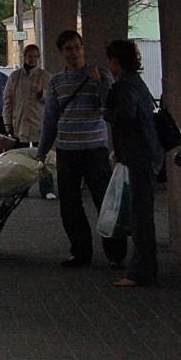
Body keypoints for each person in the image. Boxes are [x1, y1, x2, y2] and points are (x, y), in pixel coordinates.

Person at [36, 29, 127, 269]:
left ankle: (115, 253)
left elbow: (111, 106)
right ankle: (80, 252)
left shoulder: (100, 75)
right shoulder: (56, 82)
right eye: (69, 49)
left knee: (104, 200)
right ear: (61, 53)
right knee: (70, 203)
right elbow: (50, 119)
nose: (74, 52)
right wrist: (42, 151)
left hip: (95, 149)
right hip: (66, 150)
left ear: (83, 49)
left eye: (77, 47)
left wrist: (99, 83)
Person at [103, 39, 163, 287]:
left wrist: (106, 111)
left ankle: (141, 271)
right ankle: (145, 268)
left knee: (140, 215)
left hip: (138, 155)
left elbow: (125, 115)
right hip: (146, 153)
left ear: (115, 60)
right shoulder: (137, 82)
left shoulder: (124, 86)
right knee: (142, 213)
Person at [4, 43, 56, 198]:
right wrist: (7, 122)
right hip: (20, 123)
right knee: (21, 159)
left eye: (35, 56)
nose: (32, 59)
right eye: (29, 56)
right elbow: (8, 101)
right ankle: (22, 188)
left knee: (43, 157)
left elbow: (53, 100)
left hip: (39, 123)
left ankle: (47, 189)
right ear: (24, 57)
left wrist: (41, 94)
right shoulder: (15, 77)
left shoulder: (45, 76)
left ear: (38, 58)